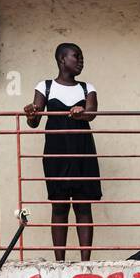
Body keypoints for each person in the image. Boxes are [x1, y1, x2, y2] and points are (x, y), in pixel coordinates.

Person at [24, 43, 102, 261]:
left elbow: (92, 113)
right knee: (59, 206)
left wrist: (81, 112)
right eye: (76, 56)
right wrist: (30, 113)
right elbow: (34, 121)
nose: (81, 61)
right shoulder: (45, 86)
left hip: (82, 151)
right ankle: (59, 262)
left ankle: (85, 262)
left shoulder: (87, 88)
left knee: (83, 206)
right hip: (56, 151)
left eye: (82, 57)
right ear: (61, 59)